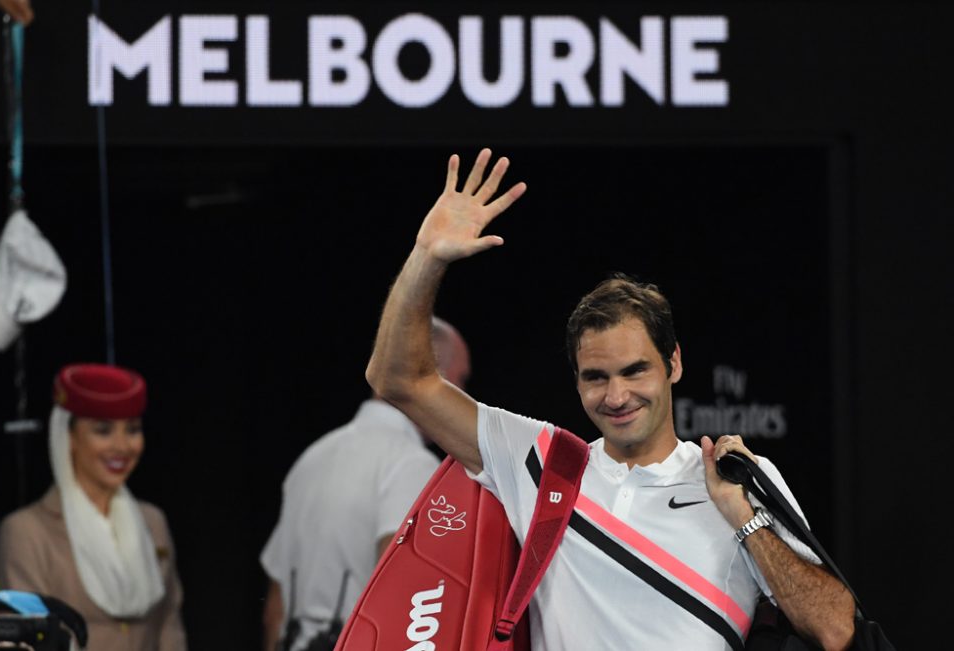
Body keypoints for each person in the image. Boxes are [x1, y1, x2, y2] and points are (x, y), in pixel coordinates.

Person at [364, 149, 857, 650]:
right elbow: (398, 380)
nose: (616, 396)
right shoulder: (539, 461)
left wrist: (744, 518)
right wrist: (426, 257)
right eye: (596, 377)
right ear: (576, 381)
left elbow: (835, 630)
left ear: (674, 364)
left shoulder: (738, 481)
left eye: (635, 371)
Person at [259, 317, 471, 651]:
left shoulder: (311, 458)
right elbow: (402, 599)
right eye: (460, 382)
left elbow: (275, 610)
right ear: (433, 375)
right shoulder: (411, 465)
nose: (464, 399)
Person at [0, 363, 187, 651]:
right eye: (104, 430)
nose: (123, 446)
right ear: (68, 437)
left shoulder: (153, 521)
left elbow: (169, 628)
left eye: (133, 429)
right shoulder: (27, 530)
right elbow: (26, 639)